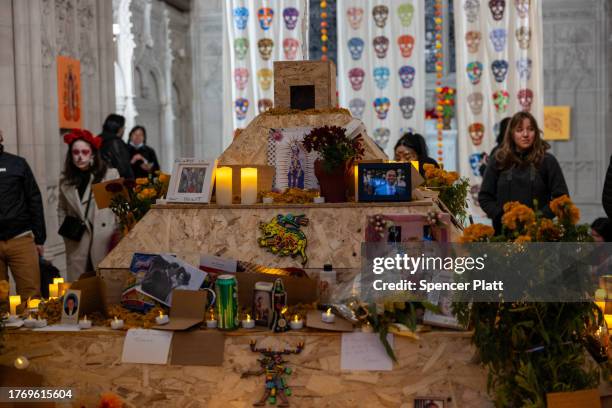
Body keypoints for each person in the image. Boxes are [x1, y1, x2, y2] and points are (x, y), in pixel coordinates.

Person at [479, 111, 569, 233]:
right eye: (519, 130)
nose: (525, 134)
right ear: (511, 133)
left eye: (530, 129)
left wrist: (538, 219)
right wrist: (502, 216)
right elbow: (485, 197)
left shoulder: (547, 161)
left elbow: (562, 198)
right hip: (504, 235)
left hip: (539, 235)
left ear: (536, 133)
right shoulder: (498, 160)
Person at [58, 130, 118, 281]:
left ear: (92, 154)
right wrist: (67, 234)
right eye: (75, 152)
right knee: (80, 286)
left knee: (104, 286)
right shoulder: (66, 181)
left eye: (84, 152)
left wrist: (116, 233)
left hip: (102, 238)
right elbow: (61, 209)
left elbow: (120, 207)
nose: (80, 156)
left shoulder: (109, 176)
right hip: (77, 240)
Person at [0, 129, 45, 306]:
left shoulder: (17, 164)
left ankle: (31, 332)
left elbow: (34, 199)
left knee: (31, 296)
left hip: (20, 238)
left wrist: (40, 238)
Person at [99, 114, 134, 179]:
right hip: (114, 183)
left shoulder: (98, 139)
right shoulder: (115, 142)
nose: (124, 129)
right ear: (119, 129)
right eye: (123, 127)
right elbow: (123, 168)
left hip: (98, 182)